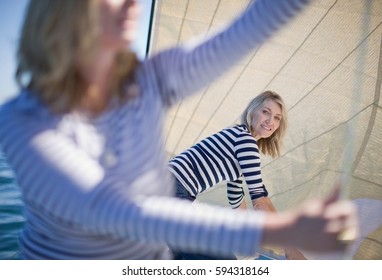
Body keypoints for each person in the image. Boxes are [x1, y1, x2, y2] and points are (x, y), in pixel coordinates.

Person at [0, 0, 358, 260]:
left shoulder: (149, 80)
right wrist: (284, 235)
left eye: (277, 117)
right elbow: (108, 208)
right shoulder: (22, 120)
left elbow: (244, 31)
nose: (132, 5)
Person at [169, 91, 305, 260]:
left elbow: (237, 198)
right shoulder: (245, 141)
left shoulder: (239, 140)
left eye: (277, 117)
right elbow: (260, 201)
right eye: (266, 112)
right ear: (252, 111)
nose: (271, 121)